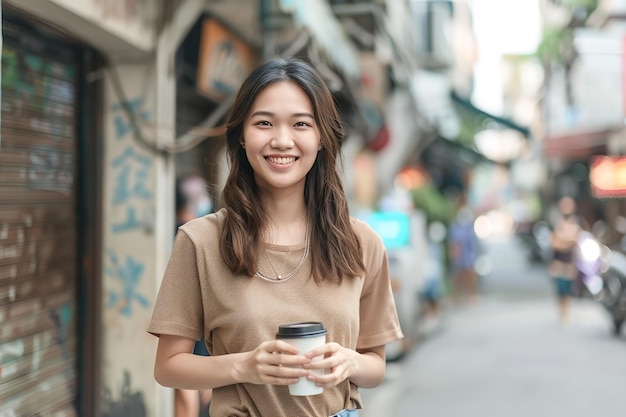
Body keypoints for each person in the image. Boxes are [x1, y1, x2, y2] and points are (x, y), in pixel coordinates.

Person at [147, 57, 403, 417]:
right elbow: (168, 367)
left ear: (321, 138)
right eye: (264, 123)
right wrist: (245, 366)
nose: (282, 140)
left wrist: (350, 363)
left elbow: (376, 365)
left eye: (301, 124)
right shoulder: (200, 241)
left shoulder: (361, 243)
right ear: (241, 137)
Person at [174, 174, 214, 417]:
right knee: (188, 393)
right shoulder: (190, 236)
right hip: (193, 322)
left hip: (197, 322)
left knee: (191, 391)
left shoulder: (194, 233)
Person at [548, 196, 581, 326]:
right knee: (560, 290)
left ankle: (566, 313)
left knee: (567, 290)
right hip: (558, 263)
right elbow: (555, 243)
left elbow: (577, 240)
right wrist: (567, 240)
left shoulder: (576, 222)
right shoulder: (557, 222)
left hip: (569, 263)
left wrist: (565, 240)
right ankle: (561, 312)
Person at [448, 204, 480, 306]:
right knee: (457, 277)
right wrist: (453, 254)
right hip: (459, 256)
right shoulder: (455, 228)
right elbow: (453, 243)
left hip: (468, 256)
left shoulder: (470, 229)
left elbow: (473, 244)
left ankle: (471, 296)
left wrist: (472, 257)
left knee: (470, 276)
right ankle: (456, 297)